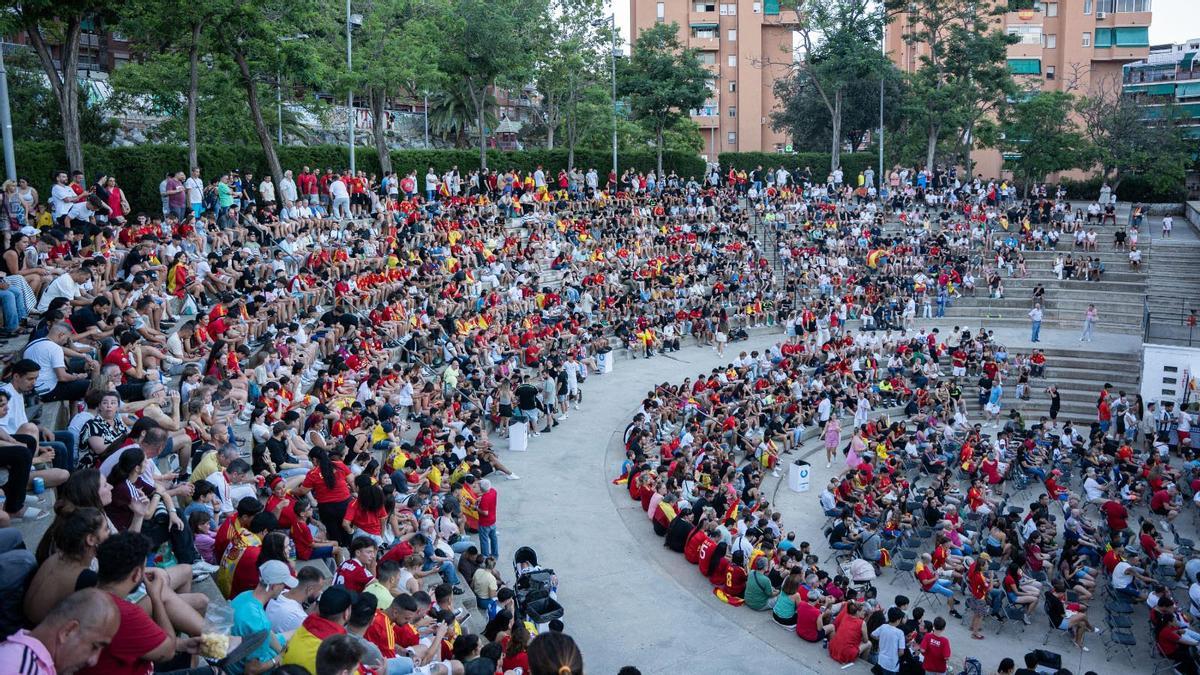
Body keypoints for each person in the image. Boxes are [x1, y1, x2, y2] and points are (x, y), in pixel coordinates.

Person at [81, 531, 202, 675]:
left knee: (188, 656)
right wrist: (155, 598)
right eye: (144, 568)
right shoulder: (126, 614)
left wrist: (181, 644)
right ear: (137, 574)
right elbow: (168, 651)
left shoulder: (85, 591)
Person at [0, 588, 119, 675]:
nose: (93, 660)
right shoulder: (22, 668)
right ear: (68, 631)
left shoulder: (22, 659)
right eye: (94, 646)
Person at [229, 559, 294, 674]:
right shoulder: (260, 624)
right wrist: (278, 659)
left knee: (294, 633)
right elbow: (251, 670)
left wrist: (281, 651)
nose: (284, 588)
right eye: (283, 584)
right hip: (236, 670)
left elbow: (266, 631)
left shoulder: (245, 595)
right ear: (274, 586)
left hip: (231, 655)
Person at [871, 606, 906, 675]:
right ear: (898, 620)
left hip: (881, 659)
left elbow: (872, 634)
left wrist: (880, 639)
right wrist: (895, 655)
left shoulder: (883, 626)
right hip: (891, 663)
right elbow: (901, 652)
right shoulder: (900, 633)